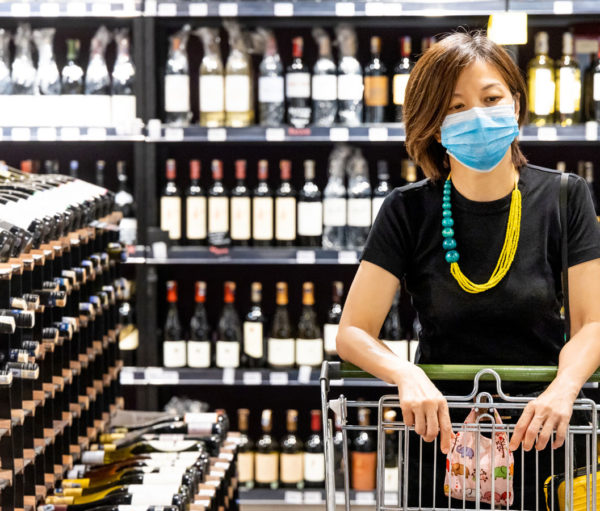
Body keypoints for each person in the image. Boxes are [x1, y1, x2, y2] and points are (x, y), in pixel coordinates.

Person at [336, 31, 600, 506]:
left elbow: (592, 323)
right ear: (434, 126)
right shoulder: (406, 210)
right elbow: (353, 331)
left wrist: (565, 387)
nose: (477, 116)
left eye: (491, 98)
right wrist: (405, 374)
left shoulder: (565, 196)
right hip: (440, 439)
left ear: (516, 104)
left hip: (543, 435)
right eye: (454, 107)